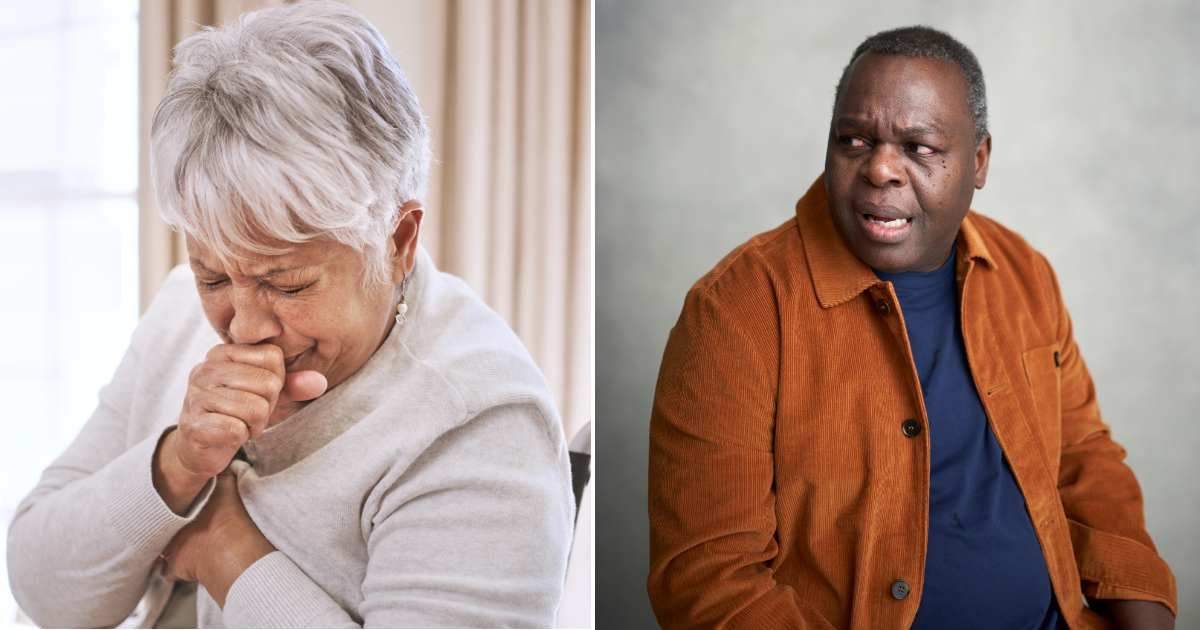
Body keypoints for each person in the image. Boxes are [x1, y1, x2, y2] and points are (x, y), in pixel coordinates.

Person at [6, 2, 573, 627]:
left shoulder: (480, 423)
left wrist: (229, 551)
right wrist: (176, 464)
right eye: (214, 275)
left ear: (398, 238)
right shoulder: (179, 309)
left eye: (287, 283)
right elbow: (45, 594)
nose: (243, 327)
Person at [648, 26, 1176, 629]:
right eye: (854, 140)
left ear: (978, 161)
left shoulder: (1024, 274)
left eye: (919, 147)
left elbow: (1083, 457)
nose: (879, 169)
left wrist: (1146, 608)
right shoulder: (735, 314)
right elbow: (709, 579)